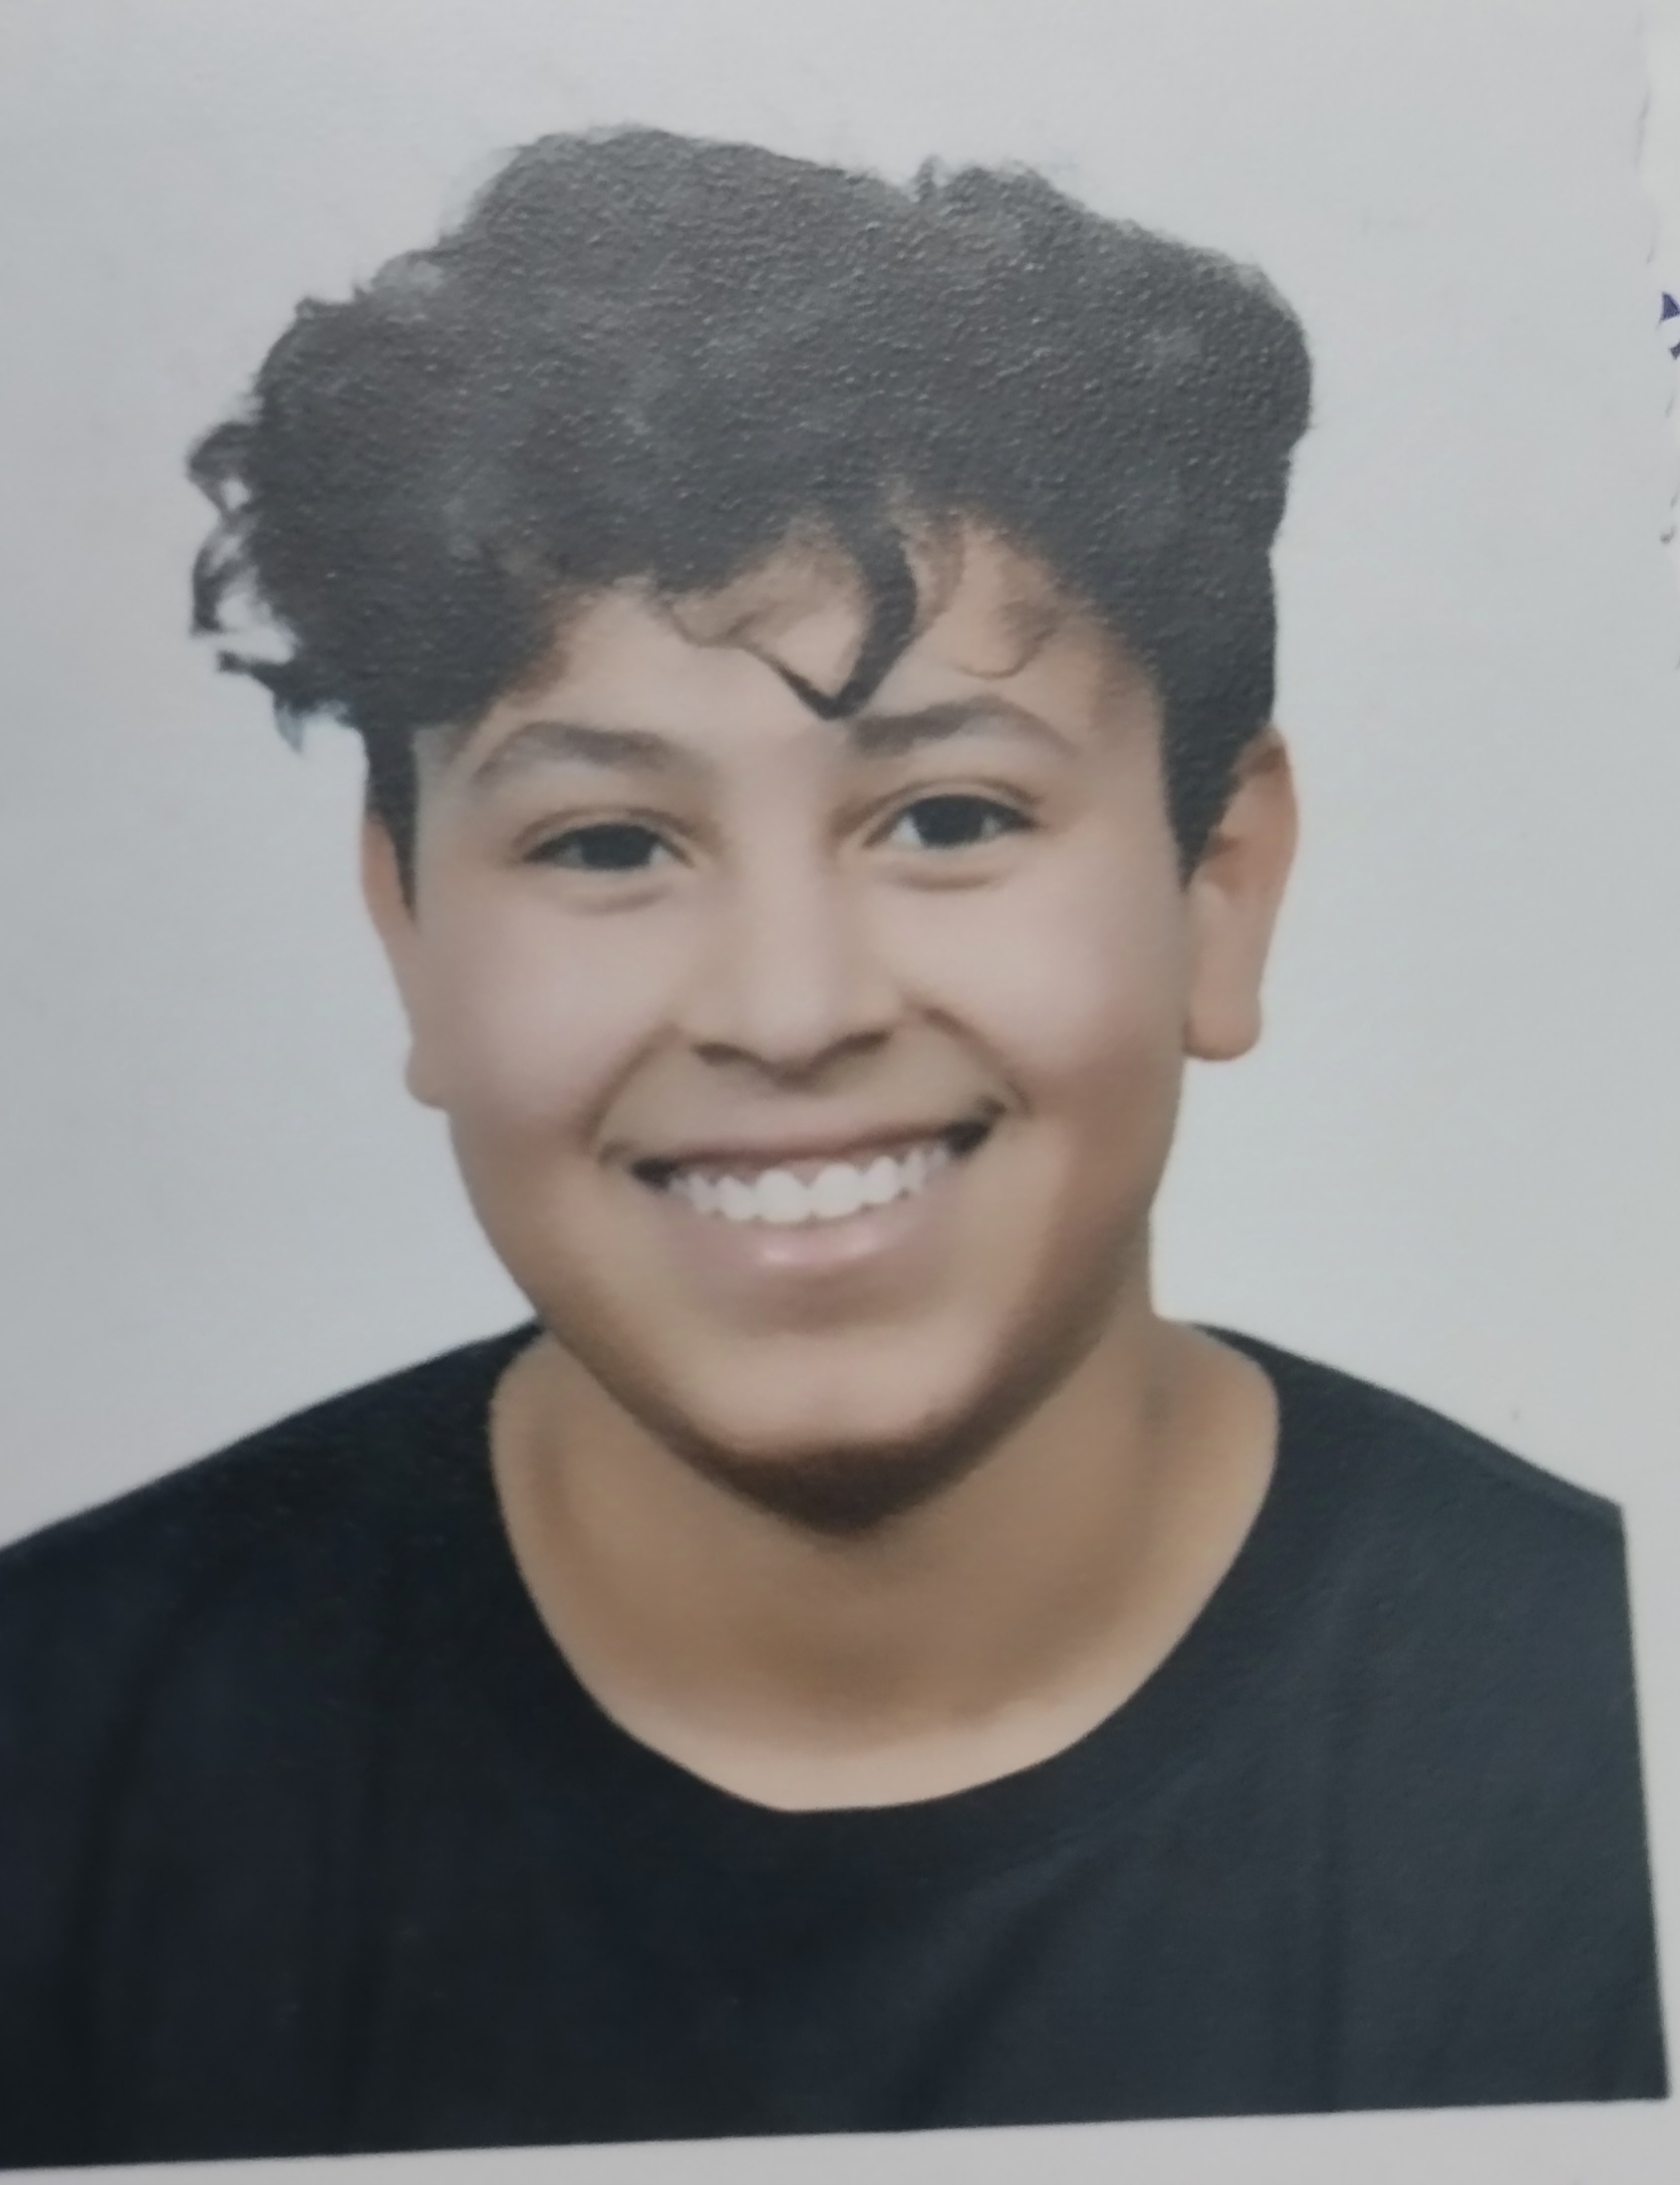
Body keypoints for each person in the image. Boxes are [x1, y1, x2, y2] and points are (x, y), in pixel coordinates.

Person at [0, 127, 1664, 2170]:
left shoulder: (1606, 1724)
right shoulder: (53, 1750)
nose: (787, 1009)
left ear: (1217, 887)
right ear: (410, 929)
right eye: (608, 840)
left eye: (948, 816)